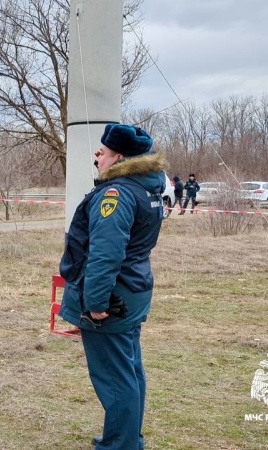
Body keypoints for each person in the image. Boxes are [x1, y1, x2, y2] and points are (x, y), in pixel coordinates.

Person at [58, 123, 167, 449]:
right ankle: (125, 436)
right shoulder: (145, 188)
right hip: (132, 290)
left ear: (119, 157)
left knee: (115, 377)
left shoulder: (116, 194)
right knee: (129, 369)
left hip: (113, 296)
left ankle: (121, 444)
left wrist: (94, 304)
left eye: (102, 152)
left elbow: (105, 255)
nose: (97, 155)